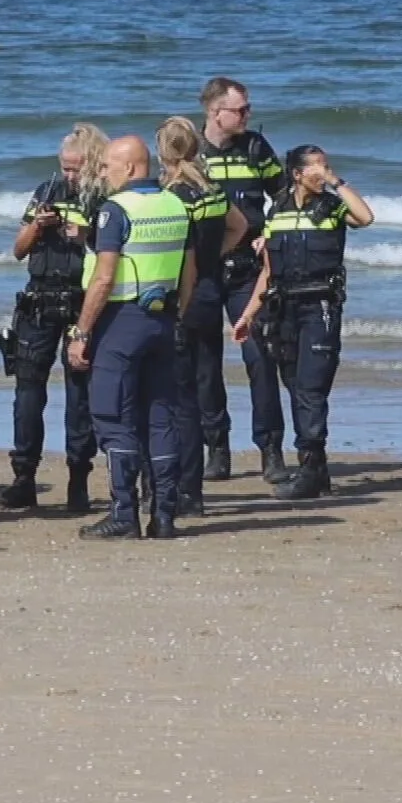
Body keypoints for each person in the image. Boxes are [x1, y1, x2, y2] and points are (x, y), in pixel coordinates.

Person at [66, 136, 195, 541]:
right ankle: (164, 515)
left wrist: (81, 332)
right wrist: (179, 314)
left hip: (121, 320)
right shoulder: (176, 204)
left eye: (107, 166)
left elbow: (104, 277)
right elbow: (190, 271)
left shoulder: (115, 210)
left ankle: (124, 514)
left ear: (130, 167)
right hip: (163, 318)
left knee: (112, 416)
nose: (102, 173)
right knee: (160, 417)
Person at [232, 145, 375, 501]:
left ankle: (309, 470)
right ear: (296, 174)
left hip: (319, 307)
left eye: (327, 166)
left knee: (311, 387)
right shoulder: (276, 210)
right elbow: (268, 272)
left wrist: (335, 181)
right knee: (295, 384)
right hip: (284, 309)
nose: (323, 173)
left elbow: (366, 216)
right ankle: (317, 470)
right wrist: (248, 315)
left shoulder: (332, 205)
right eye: (317, 168)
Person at [0, 123, 107, 513]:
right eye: (65, 167)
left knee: (80, 394)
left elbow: (111, 251)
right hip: (39, 298)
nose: (69, 175)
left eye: (76, 168)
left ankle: (79, 478)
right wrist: (38, 227)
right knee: (27, 392)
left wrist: (83, 235)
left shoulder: (105, 196)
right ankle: (23, 476)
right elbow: (18, 250)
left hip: (81, 298)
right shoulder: (46, 191)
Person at [198, 77, 289, 483]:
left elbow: (285, 194)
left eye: (248, 109)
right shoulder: (191, 152)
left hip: (247, 272)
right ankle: (216, 448)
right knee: (203, 364)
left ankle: (271, 450)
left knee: (260, 357)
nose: (248, 116)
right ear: (216, 112)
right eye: (241, 110)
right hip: (201, 269)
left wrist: (269, 231)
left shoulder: (256, 148)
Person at [158, 116, 247, 518]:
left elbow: (184, 259)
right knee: (204, 382)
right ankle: (195, 486)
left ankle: (183, 487)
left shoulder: (172, 195)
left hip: (184, 296)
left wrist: (181, 296)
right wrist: (218, 256)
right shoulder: (211, 190)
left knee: (177, 398)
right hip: (212, 292)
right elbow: (239, 226)